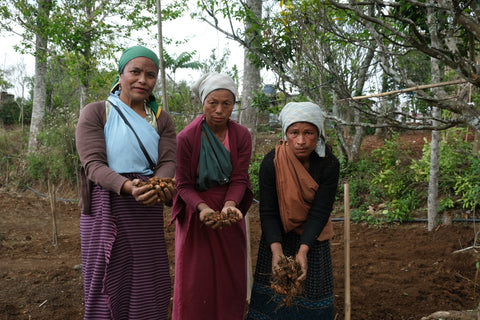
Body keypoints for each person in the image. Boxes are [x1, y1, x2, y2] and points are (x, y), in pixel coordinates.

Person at [75, 45, 176, 320]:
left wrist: (158, 184)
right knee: (106, 278)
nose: (143, 80)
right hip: (106, 205)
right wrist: (128, 187)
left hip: (147, 202)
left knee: (147, 277)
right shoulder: (96, 113)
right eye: (135, 72)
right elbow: (93, 165)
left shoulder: (161, 119)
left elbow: (168, 160)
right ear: (120, 74)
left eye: (151, 75)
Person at [171, 73, 254, 320]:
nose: (219, 110)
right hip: (198, 214)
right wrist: (203, 209)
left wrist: (230, 205)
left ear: (233, 105)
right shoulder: (186, 138)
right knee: (196, 281)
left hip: (230, 214)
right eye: (212, 102)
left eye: (226, 104)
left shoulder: (241, 136)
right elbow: (183, 185)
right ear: (202, 102)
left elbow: (240, 177)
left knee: (230, 278)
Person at [247, 102, 340, 319]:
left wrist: (303, 252)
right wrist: (276, 251)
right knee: (273, 297)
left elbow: (320, 211)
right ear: (285, 134)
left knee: (312, 297)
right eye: (294, 132)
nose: (301, 141)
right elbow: (268, 211)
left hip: (312, 237)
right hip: (277, 235)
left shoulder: (329, 163)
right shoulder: (272, 162)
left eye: (308, 133)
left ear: (318, 133)